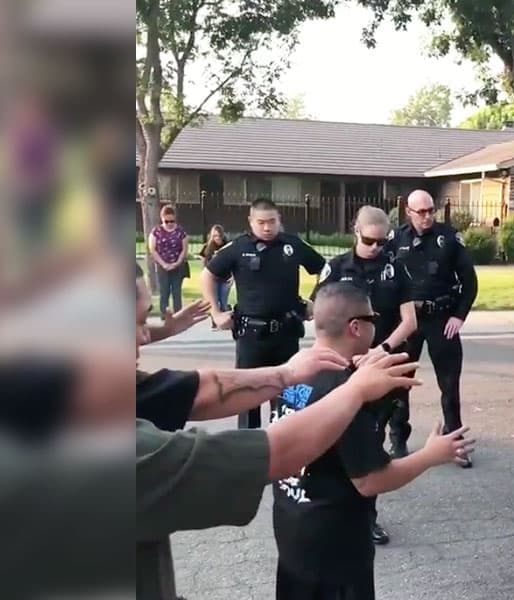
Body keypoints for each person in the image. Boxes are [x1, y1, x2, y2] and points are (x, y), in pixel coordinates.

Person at [136, 267, 424, 600]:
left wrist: (286, 374)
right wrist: (430, 450)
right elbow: (279, 454)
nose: (145, 337)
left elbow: (198, 390)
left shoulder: (301, 374)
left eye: (146, 322)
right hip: (337, 554)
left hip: (295, 542)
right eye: (137, 323)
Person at [271, 282, 475, 600]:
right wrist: (432, 454)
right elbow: (370, 480)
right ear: (356, 327)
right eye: (373, 318)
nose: (376, 325)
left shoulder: (294, 369)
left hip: (292, 532)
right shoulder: (348, 394)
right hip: (335, 549)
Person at [311, 205, 418, 545]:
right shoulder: (336, 268)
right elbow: (320, 317)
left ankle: (366, 518)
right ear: (355, 232)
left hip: (377, 366)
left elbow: (410, 321)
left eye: (382, 242)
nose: (375, 248)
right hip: (339, 366)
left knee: (370, 444)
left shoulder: (396, 268)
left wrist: (382, 349)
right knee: (332, 438)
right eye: (369, 240)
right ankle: (330, 510)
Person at [200, 198, 326, 429]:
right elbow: (208, 275)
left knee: (292, 396)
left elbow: (325, 269)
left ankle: (290, 440)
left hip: (286, 333)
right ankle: (248, 445)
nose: (267, 227)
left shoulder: (292, 244)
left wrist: (315, 301)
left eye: (272, 221)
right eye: (261, 222)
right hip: (251, 335)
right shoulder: (238, 247)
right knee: (246, 396)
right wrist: (216, 313)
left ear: (279, 220)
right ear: (251, 221)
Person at [384, 189, 478, 466]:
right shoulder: (396, 239)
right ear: (408, 212)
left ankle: (455, 442)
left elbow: (469, 282)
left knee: (449, 385)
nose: (427, 216)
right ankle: (397, 439)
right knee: (400, 383)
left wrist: (459, 316)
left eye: (430, 211)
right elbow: (386, 277)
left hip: (441, 319)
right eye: (421, 212)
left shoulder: (448, 238)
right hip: (408, 322)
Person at [148, 205, 189, 319]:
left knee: (176, 291)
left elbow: (184, 249)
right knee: (164, 291)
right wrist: (163, 264)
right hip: (162, 266)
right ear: (162, 219)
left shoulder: (181, 232)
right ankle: (164, 315)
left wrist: (177, 263)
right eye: (166, 221)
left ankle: (178, 315)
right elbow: (152, 249)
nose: (169, 223)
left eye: (172, 221)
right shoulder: (156, 232)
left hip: (177, 266)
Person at [198, 224, 232, 330]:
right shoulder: (208, 247)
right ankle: (215, 322)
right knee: (213, 301)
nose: (217, 238)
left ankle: (225, 321)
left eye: (219, 236)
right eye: (215, 236)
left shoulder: (227, 246)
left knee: (223, 301)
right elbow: (203, 259)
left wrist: (232, 277)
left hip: (225, 278)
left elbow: (233, 262)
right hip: (212, 279)